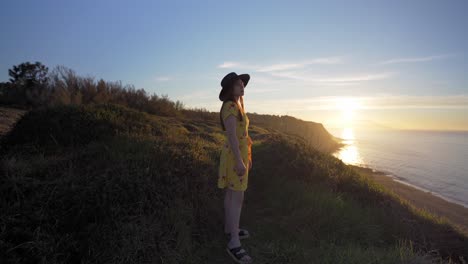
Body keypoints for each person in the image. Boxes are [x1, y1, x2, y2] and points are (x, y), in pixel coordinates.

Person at [218, 72, 254, 263]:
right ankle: (233, 242)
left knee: (231, 195)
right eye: (238, 84)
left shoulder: (238, 105)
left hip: (236, 156)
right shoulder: (230, 107)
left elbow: (242, 135)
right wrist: (240, 161)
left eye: (243, 84)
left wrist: (246, 156)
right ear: (229, 89)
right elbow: (232, 136)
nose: (242, 86)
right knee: (237, 198)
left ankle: (230, 228)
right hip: (234, 158)